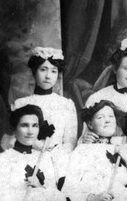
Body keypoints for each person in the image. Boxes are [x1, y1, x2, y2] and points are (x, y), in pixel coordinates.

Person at [6, 47, 78, 178]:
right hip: (28, 160)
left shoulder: (66, 105)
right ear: (34, 72)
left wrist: (60, 164)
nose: (48, 76)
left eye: (53, 71)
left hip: (59, 164)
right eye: (43, 70)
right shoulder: (20, 104)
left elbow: (70, 142)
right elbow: (13, 139)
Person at [83, 37, 127, 143]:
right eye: (126, 68)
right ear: (115, 69)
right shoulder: (97, 98)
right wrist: (86, 139)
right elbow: (86, 134)